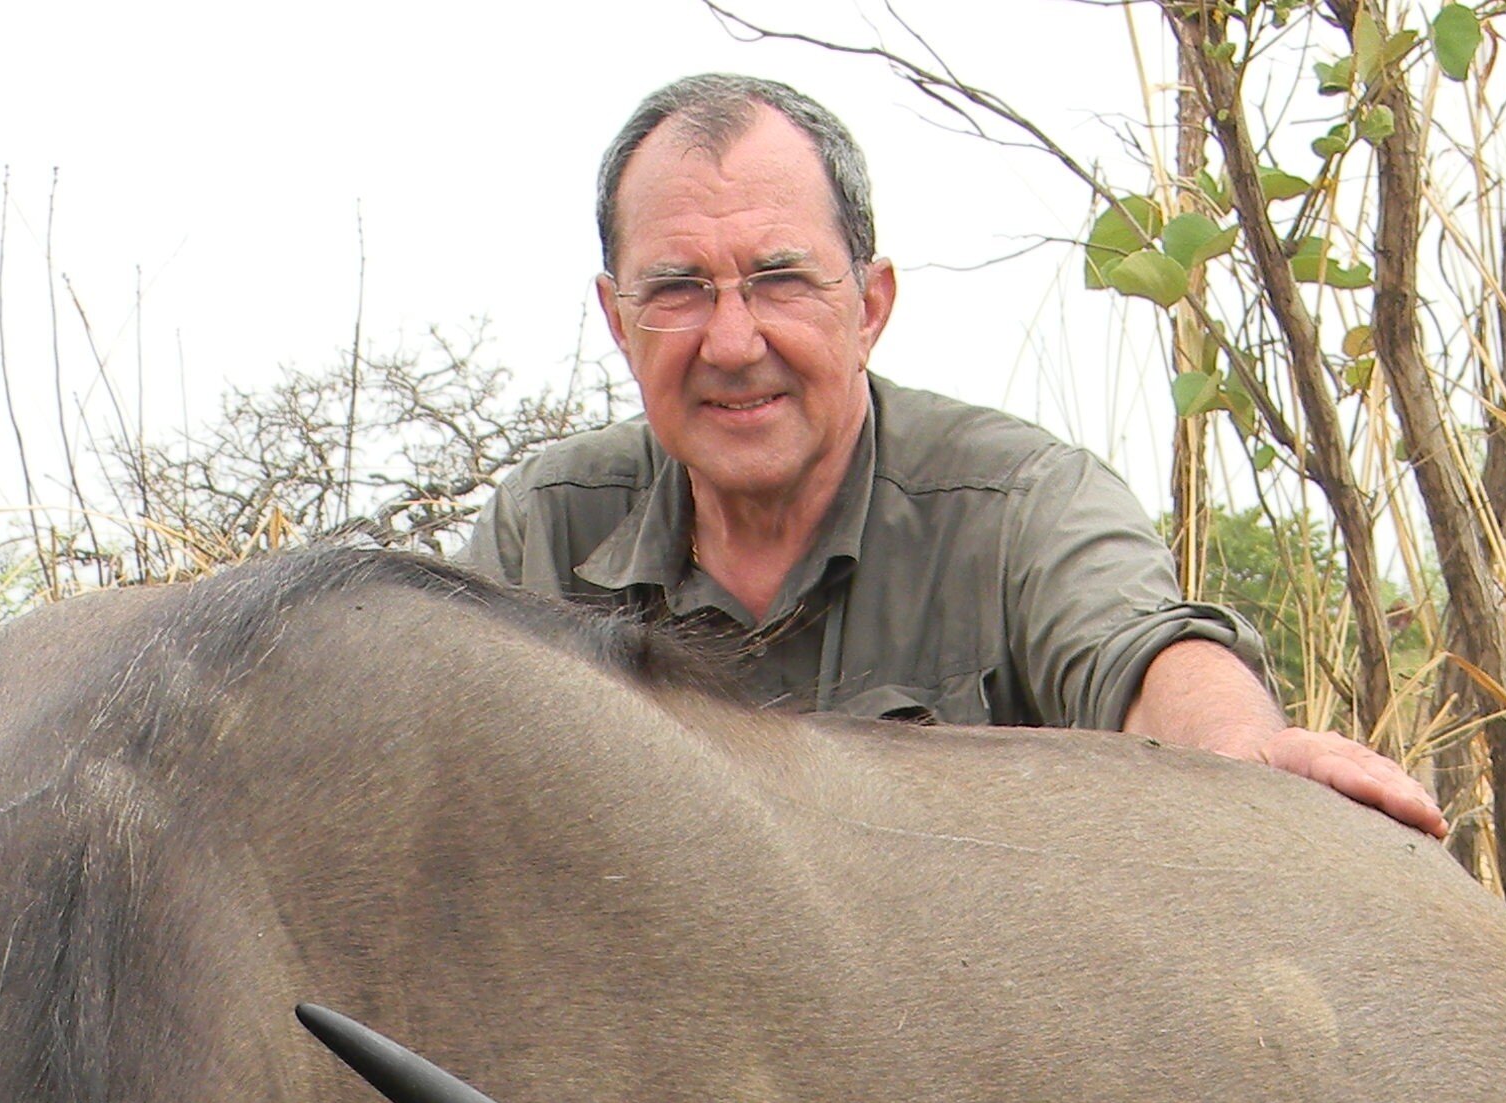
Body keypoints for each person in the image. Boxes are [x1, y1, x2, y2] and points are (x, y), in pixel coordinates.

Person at [465, 74, 1445, 838]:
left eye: (779, 280)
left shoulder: (1019, 500)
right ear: (615, 318)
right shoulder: (541, 530)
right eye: (678, 289)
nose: (729, 342)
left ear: (871, 305)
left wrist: (1244, 750)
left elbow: (1142, 649)